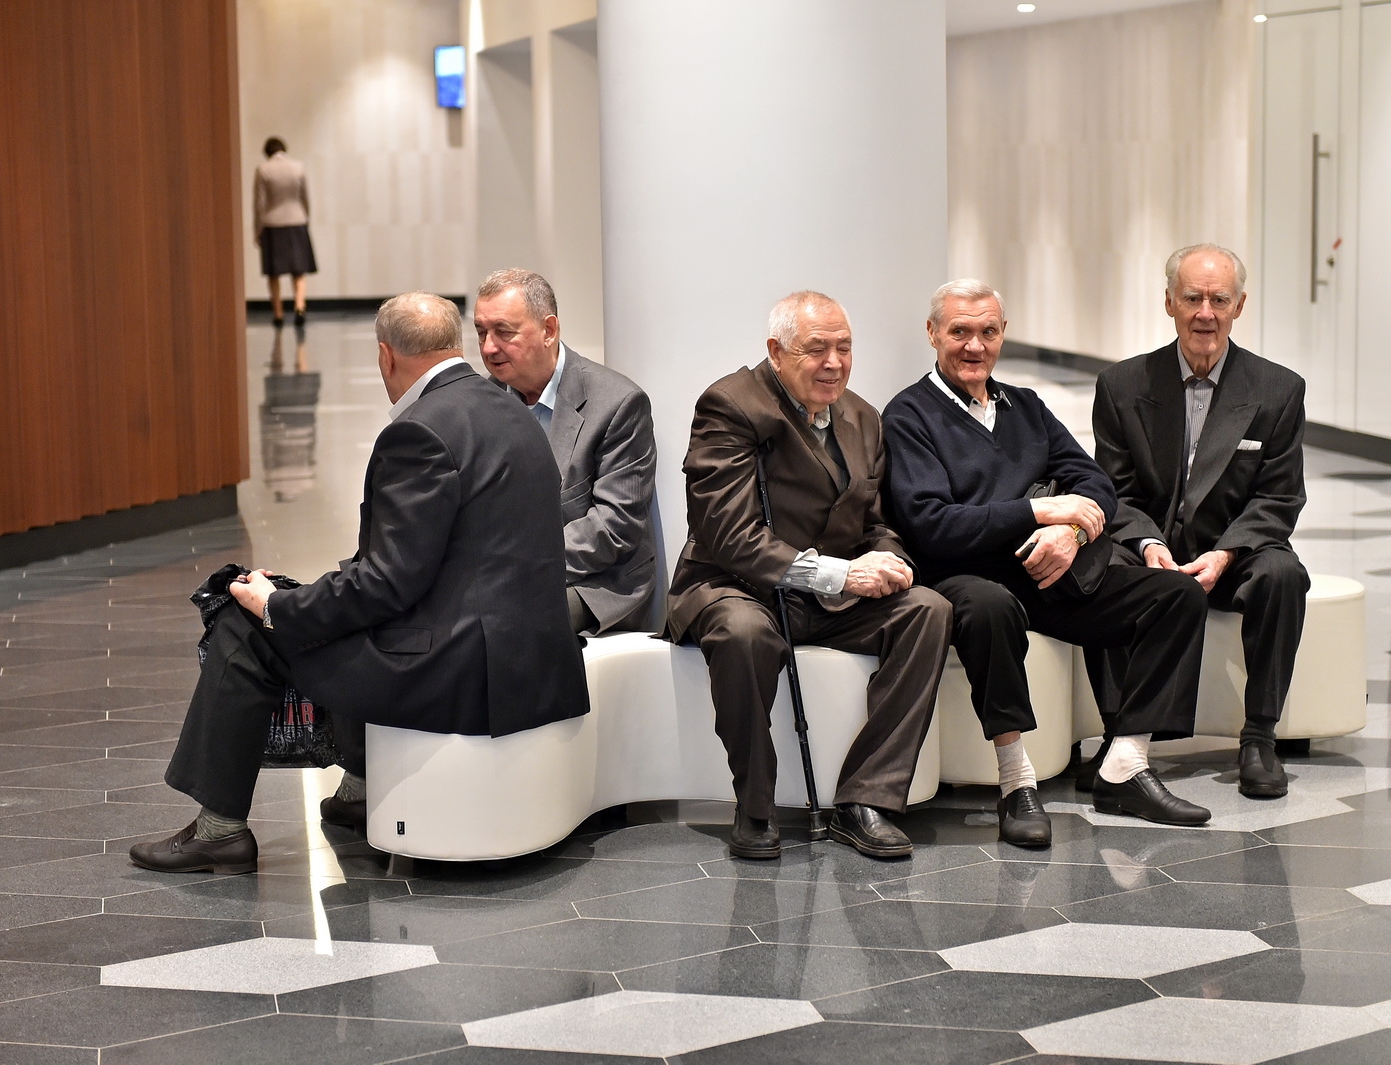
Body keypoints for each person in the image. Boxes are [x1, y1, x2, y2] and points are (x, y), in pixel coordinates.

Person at [129, 292, 588, 874]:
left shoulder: (420, 431)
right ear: (454, 344)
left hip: (462, 673)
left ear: (385, 356)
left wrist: (276, 607)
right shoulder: (510, 410)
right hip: (530, 657)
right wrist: (303, 598)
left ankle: (219, 831)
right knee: (330, 620)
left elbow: (386, 584)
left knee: (245, 630)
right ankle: (360, 789)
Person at [883, 280, 1212, 836]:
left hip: (1049, 572)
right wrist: (1037, 512)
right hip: (965, 575)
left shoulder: (1025, 406)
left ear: (1003, 334)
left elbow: (1095, 484)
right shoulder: (909, 415)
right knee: (990, 608)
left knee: (1178, 596)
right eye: (960, 331)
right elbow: (931, 524)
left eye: (988, 332)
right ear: (933, 333)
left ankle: (1125, 763)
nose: (974, 346)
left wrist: (1072, 535)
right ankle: (1016, 784)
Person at [665, 291, 952, 861]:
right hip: (736, 585)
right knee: (745, 633)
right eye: (816, 349)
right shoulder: (730, 405)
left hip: (827, 597)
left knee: (928, 610)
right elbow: (729, 535)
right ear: (776, 351)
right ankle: (755, 805)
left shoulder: (863, 418)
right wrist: (842, 575)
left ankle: (866, 799)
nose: (834, 363)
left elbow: (876, 522)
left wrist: (888, 562)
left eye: (845, 348)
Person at [1091, 243, 1309, 799]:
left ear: (1240, 306)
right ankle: (1118, 733)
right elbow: (1114, 491)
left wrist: (1226, 552)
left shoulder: (1279, 390)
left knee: (1283, 574)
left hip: (1233, 549)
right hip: (1153, 547)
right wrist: (1146, 544)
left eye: (1219, 299)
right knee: (1097, 566)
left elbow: (1279, 497)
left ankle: (1259, 736)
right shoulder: (1121, 386)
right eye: (1192, 298)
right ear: (1169, 302)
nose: (1205, 313)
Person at [474, 268, 659, 634]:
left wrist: (517, 568)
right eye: (481, 332)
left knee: (500, 624)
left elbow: (614, 526)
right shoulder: (480, 401)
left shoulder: (617, 403)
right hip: (501, 575)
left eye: (504, 332)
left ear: (549, 330)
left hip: (594, 582)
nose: (489, 348)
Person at [253, 137, 317, 327]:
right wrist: (305, 218)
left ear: (267, 152)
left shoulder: (263, 169)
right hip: (297, 221)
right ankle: (300, 306)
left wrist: (257, 230)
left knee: (273, 273)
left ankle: (278, 313)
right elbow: (305, 197)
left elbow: (259, 204)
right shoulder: (298, 167)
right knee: (299, 270)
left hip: (272, 223)